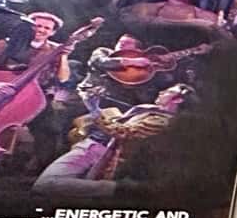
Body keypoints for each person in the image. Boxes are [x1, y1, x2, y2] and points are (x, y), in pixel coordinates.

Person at [33, 85, 191, 199]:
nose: (161, 91)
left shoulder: (163, 121)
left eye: (168, 91)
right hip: (91, 145)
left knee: (46, 184)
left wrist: (94, 108)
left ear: (178, 99)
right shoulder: (149, 108)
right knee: (57, 187)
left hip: (101, 152)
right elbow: (117, 123)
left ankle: (122, 189)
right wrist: (97, 104)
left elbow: (122, 132)